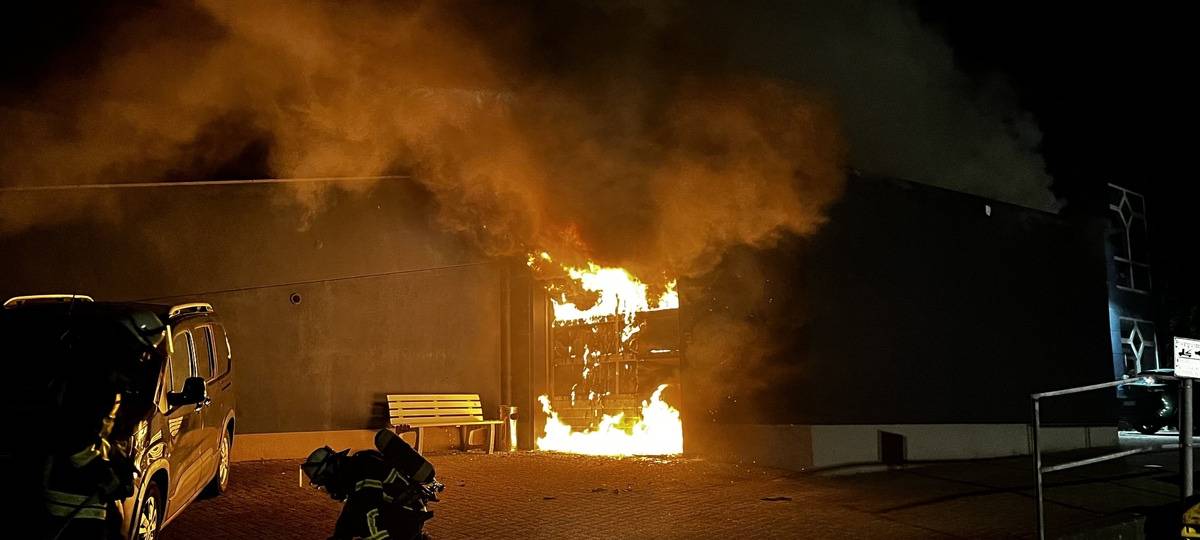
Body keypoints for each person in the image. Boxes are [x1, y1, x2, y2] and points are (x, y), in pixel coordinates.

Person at [302, 429, 441, 540]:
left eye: (324, 484)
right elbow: (351, 511)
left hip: (406, 517)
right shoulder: (356, 469)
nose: (328, 489)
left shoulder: (362, 472)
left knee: (367, 527)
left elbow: (366, 512)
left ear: (329, 474)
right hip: (407, 515)